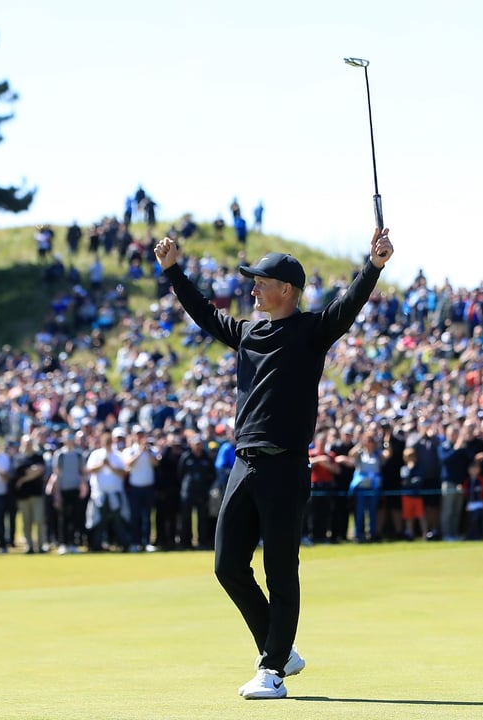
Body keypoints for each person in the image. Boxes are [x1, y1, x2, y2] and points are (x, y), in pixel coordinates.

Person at [154, 224, 393, 700]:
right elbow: (203, 313)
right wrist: (173, 271)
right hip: (245, 463)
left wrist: (374, 266)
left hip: (286, 466)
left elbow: (348, 306)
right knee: (227, 565)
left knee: (281, 571)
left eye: (260, 281)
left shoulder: (310, 331)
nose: (252, 288)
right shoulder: (246, 332)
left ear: (286, 290)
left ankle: (273, 669)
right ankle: (280, 648)